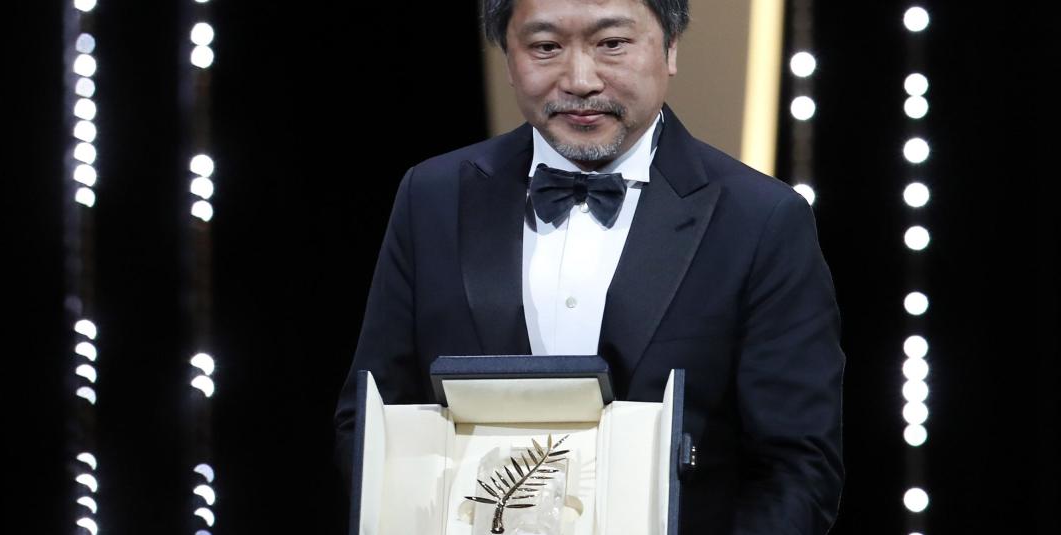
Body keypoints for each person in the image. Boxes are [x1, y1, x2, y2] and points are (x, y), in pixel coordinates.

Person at [334, 0, 844, 533]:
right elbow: (371, 422)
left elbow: (797, 468)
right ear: (508, 57)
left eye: (612, 44)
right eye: (545, 47)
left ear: (670, 47)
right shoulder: (432, 197)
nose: (580, 80)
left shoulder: (760, 218)